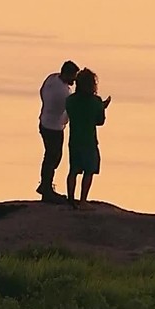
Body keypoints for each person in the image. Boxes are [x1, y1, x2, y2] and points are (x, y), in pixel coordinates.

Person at [65, 67, 111, 208]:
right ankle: (83, 201)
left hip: (74, 140)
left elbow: (71, 114)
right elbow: (100, 121)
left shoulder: (70, 100)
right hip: (89, 141)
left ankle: (71, 199)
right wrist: (102, 107)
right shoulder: (95, 101)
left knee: (73, 170)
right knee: (89, 170)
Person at [37, 60, 79, 202]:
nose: (74, 80)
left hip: (44, 122)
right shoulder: (63, 93)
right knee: (53, 157)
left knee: (50, 156)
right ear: (67, 74)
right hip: (54, 127)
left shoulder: (51, 78)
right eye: (73, 76)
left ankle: (45, 185)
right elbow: (68, 113)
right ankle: (46, 188)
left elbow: (41, 91)